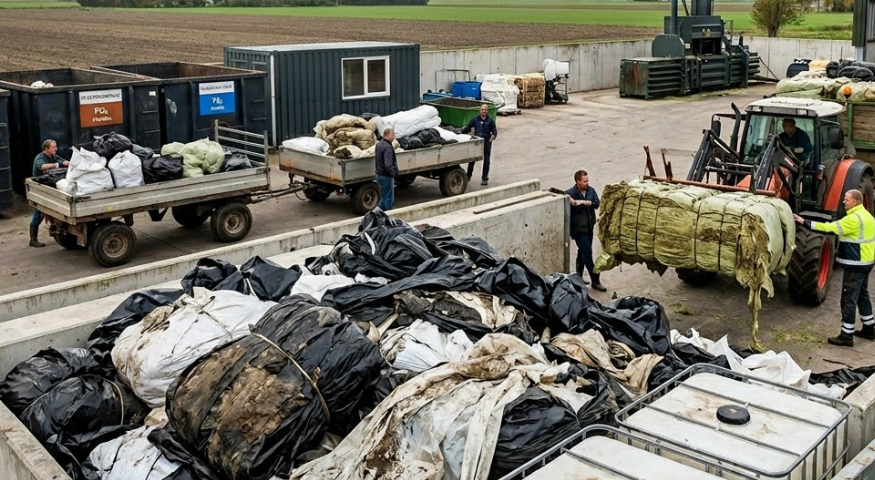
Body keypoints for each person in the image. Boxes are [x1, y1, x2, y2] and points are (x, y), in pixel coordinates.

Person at [794, 189, 875, 346]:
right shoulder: (868, 216)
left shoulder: (853, 219)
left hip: (855, 265)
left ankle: (846, 335)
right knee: (862, 296)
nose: (844, 201)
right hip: (866, 264)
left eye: (847, 199)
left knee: (848, 299)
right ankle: (869, 328)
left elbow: (829, 228)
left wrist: (805, 222)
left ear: (856, 202)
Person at [567, 170, 606, 292]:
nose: (587, 183)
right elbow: (561, 198)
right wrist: (570, 200)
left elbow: (596, 203)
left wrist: (585, 202)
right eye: (584, 181)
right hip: (578, 229)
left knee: (582, 252)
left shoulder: (591, 191)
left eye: (587, 181)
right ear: (577, 181)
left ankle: (577, 278)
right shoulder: (570, 193)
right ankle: (595, 280)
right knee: (587, 254)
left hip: (589, 227)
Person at [29, 139, 68, 248]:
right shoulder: (40, 157)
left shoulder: (53, 156)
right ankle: (33, 239)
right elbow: (41, 167)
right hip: (40, 189)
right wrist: (55, 165)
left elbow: (63, 162)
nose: (56, 149)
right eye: (53, 147)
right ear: (46, 149)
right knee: (39, 213)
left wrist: (72, 163)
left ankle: (56, 228)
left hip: (47, 187)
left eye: (56, 147)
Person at [461, 105, 497, 186]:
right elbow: (468, 127)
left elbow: (494, 131)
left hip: (487, 142)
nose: (484, 111)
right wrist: (461, 132)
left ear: (487, 111)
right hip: (477, 143)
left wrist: (493, 136)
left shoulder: (490, 120)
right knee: (472, 160)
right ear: (479, 110)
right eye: (482, 110)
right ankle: (468, 176)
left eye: (485, 110)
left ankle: (484, 178)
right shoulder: (475, 119)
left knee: (486, 161)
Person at [375, 127, 398, 211]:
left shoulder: (379, 144)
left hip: (379, 174)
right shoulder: (387, 147)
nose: (394, 137)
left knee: (384, 196)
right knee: (389, 198)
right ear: (389, 135)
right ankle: (388, 215)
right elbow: (388, 164)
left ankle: (377, 213)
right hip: (386, 176)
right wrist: (393, 173)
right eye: (394, 134)